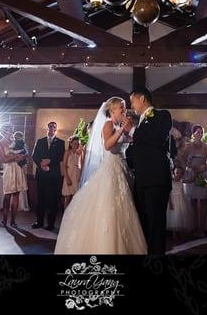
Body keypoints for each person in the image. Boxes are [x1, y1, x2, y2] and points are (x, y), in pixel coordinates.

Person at [55, 97, 147, 254]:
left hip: (121, 167)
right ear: (112, 110)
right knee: (109, 206)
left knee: (122, 208)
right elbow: (108, 145)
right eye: (121, 108)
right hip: (110, 169)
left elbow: (128, 143)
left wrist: (128, 131)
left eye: (125, 108)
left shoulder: (120, 125)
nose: (124, 111)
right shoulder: (109, 124)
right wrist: (121, 130)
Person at [124, 87, 173, 255]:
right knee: (143, 222)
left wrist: (132, 131)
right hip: (141, 180)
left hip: (156, 180)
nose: (131, 105)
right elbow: (136, 152)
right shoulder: (140, 124)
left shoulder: (162, 116)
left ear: (142, 98)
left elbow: (155, 139)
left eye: (133, 101)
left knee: (156, 223)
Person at [177, 124, 207, 238]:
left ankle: (202, 228)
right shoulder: (188, 146)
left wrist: (203, 167)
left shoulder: (206, 146)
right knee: (192, 202)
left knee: (203, 202)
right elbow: (180, 159)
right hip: (191, 174)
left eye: (201, 132)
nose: (200, 134)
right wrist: (188, 165)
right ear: (193, 134)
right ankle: (194, 227)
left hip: (202, 175)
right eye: (198, 132)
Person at [31, 121, 65, 231]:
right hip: (41, 174)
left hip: (54, 175)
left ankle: (51, 223)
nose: (51, 128)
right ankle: (39, 221)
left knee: (53, 200)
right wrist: (41, 164)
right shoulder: (40, 141)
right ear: (47, 128)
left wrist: (49, 162)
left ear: (56, 129)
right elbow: (34, 156)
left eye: (53, 127)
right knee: (40, 199)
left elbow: (60, 156)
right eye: (50, 126)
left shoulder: (60, 142)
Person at [0, 125, 28, 228]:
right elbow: (4, 159)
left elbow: (25, 153)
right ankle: (4, 220)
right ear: (4, 131)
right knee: (7, 195)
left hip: (18, 168)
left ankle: (13, 221)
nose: (12, 132)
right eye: (10, 130)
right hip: (9, 170)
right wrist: (16, 156)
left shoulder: (17, 141)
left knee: (16, 194)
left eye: (12, 130)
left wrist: (23, 156)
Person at [61, 136, 83, 210]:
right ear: (70, 144)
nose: (76, 145)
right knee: (67, 196)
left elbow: (81, 164)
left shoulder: (79, 153)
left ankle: (72, 215)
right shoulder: (67, 152)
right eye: (74, 143)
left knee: (75, 196)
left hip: (76, 174)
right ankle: (65, 214)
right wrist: (67, 178)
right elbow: (64, 166)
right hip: (69, 174)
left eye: (77, 144)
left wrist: (80, 176)